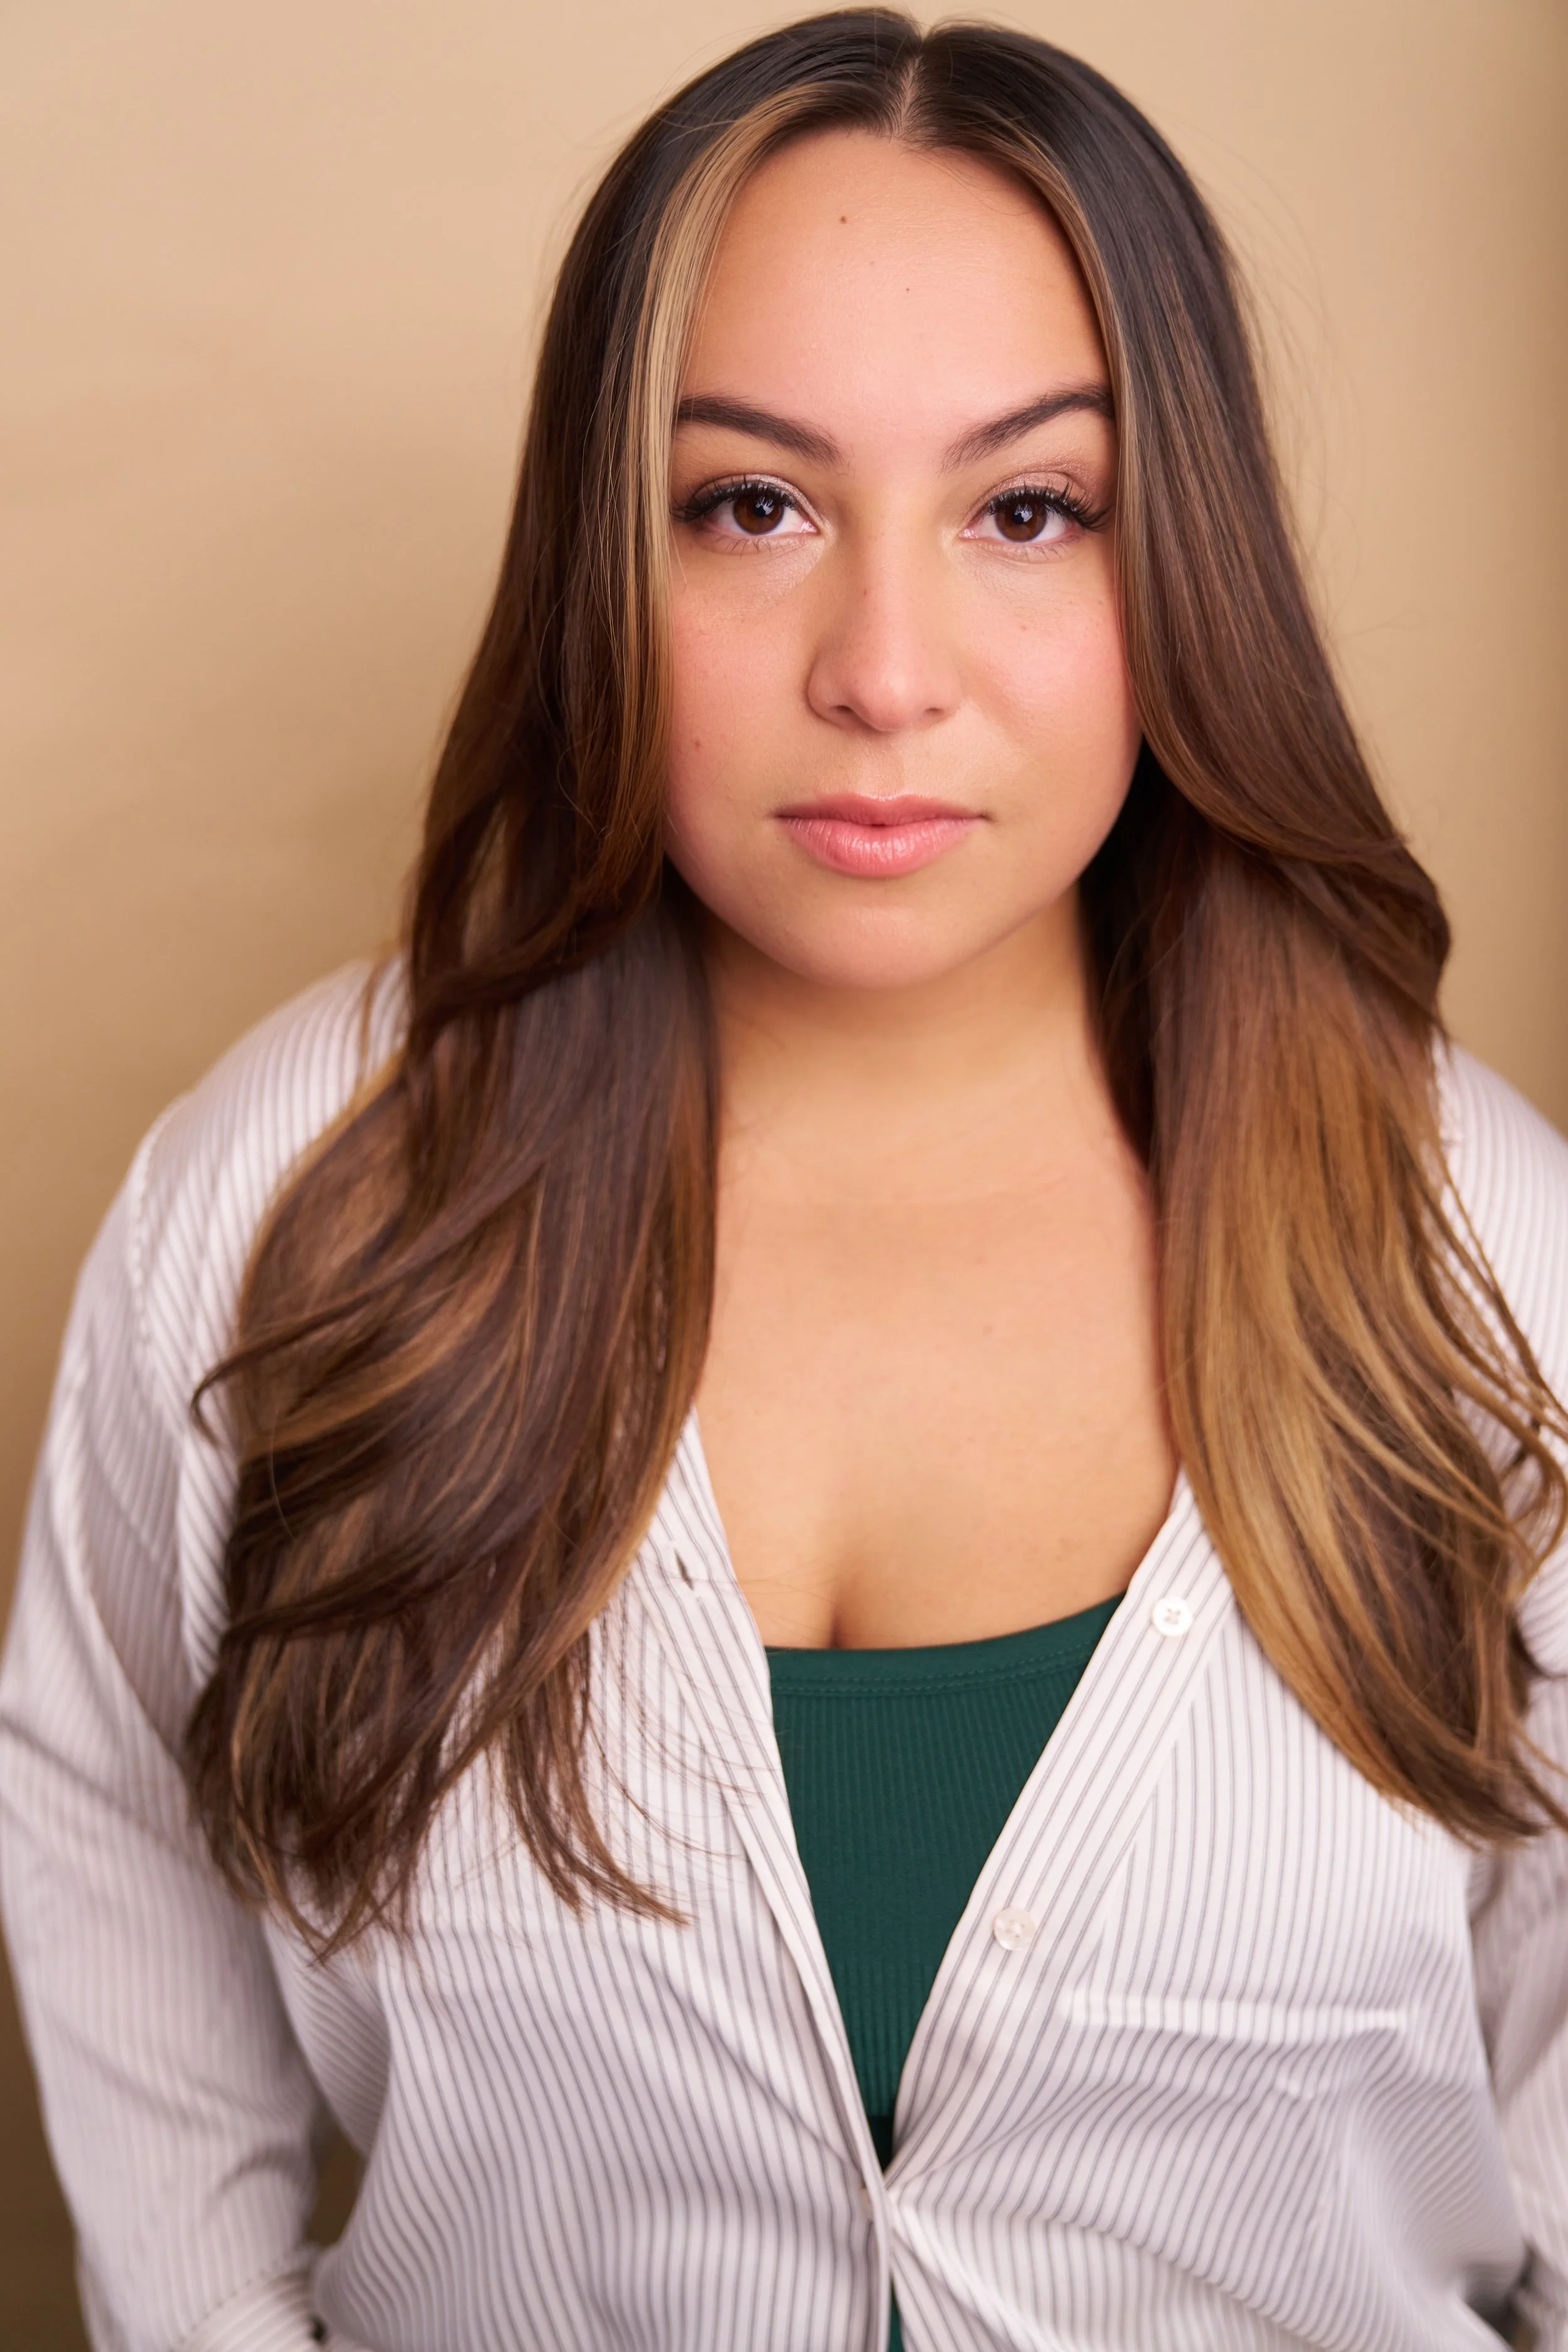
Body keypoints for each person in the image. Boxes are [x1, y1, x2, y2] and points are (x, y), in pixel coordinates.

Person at [3, 11, 1565, 2348]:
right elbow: (113, 1837)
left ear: (1188, 563)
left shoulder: (1475, 1248)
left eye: (1028, 509)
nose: (883, 668)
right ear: (599, 560)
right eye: (752, 504)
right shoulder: (292, 1198)